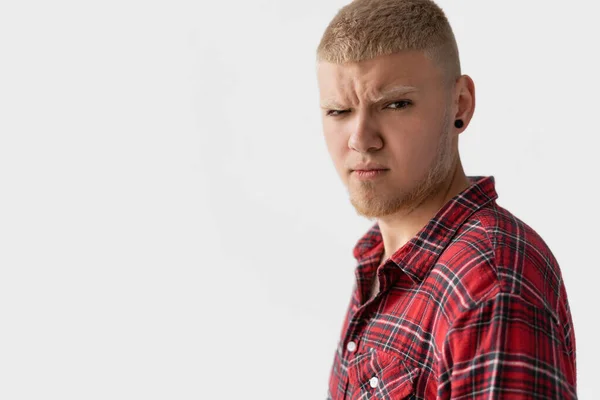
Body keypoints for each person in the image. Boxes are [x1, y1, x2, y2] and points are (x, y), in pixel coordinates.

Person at [316, 0, 577, 398]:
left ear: (461, 105)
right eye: (338, 111)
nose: (361, 139)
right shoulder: (378, 264)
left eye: (395, 104)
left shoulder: (490, 280)